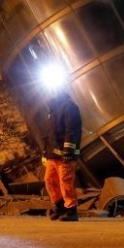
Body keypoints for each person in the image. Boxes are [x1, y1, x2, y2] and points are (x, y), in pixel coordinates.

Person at [41, 88, 82, 222]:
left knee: (66, 182)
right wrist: (45, 152)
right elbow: (49, 134)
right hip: (53, 155)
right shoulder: (53, 109)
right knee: (49, 180)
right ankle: (60, 206)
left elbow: (72, 131)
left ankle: (71, 211)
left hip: (65, 156)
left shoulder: (70, 107)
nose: (50, 93)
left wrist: (68, 152)